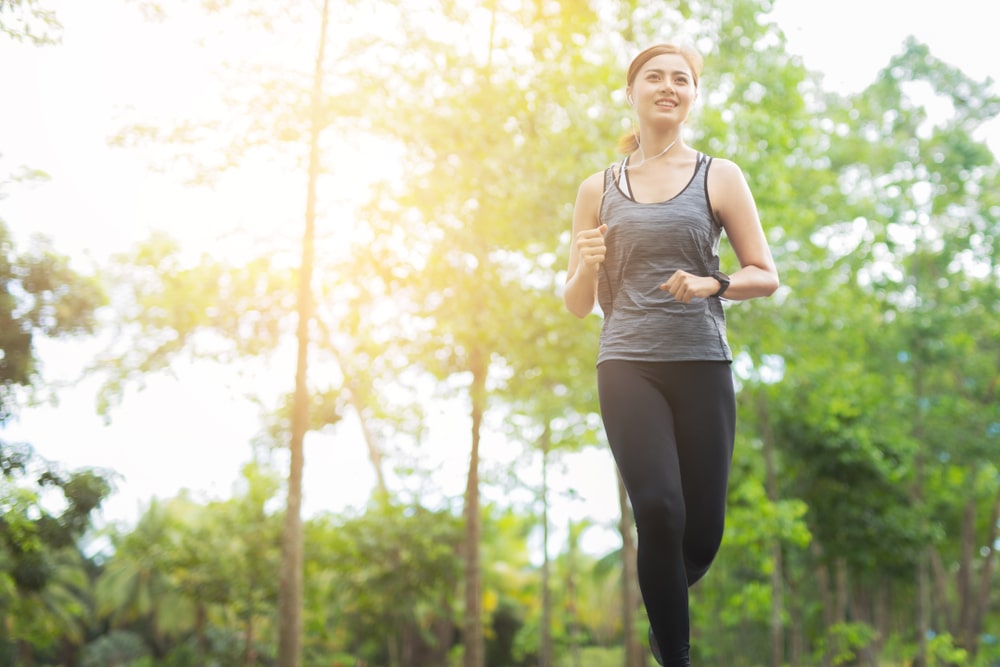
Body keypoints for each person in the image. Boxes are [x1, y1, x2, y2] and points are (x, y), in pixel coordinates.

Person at [563, 43, 779, 666]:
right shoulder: (596, 188)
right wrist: (588, 266)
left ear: (691, 95)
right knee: (658, 507)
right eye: (654, 77)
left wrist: (715, 283)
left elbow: (765, 273)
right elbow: (578, 303)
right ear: (631, 93)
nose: (668, 86)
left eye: (680, 79)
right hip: (627, 361)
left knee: (701, 533)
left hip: (702, 362)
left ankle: (664, 613)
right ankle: (676, 657)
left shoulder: (720, 175)